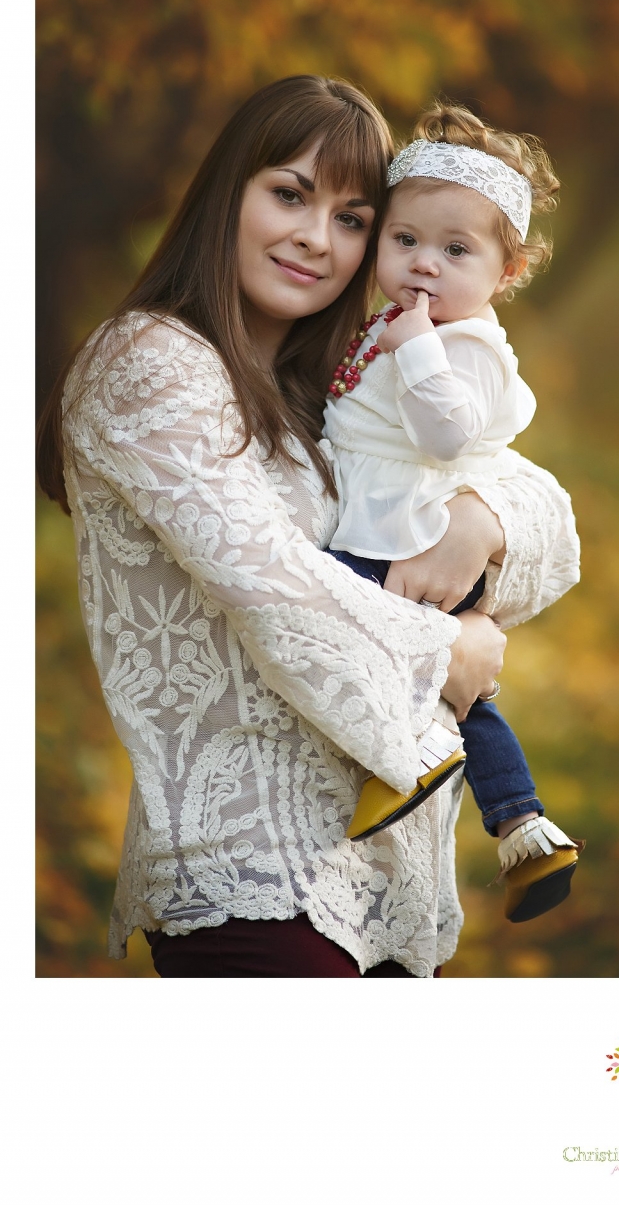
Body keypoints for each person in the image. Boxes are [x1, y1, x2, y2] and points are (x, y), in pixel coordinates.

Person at [36, 74, 580, 978]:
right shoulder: (151, 362)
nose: (315, 239)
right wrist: (451, 652)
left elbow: (550, 520)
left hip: (389, 892)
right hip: (256, 876)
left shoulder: (325, 384)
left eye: (354, 218)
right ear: (227, 194)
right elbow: (272, 588)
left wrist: (480, 521)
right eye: (289, 194)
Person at [323, 104, 583, 921]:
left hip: (409, 531)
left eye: (456, 250)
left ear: (507, 273)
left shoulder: (462, 342)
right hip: (390, 516)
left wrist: (418, 347)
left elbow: (448, 437)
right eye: (406, 242)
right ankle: (522, 825)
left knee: (347, 620)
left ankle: (403, 761)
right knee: (464, 694)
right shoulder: (403, 325)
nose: (425, 266)